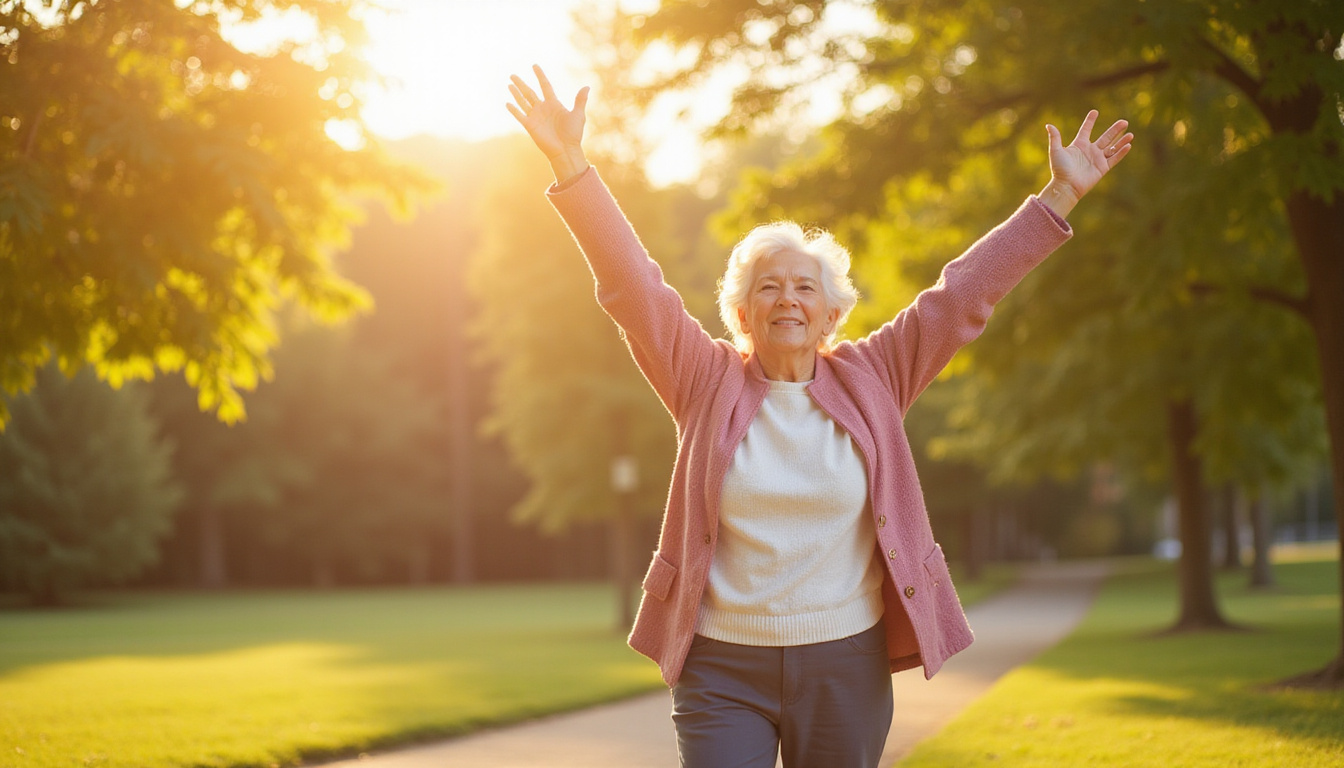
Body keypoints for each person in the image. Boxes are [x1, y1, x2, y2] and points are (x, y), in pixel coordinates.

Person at [506, 65, 1132, 768]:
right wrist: (572, 166)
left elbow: (960, 299)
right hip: (720, 667)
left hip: (845, 664)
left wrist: (1060, 195)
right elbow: (634, 289)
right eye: (768, 287)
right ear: (742, 314)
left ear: (832, 313)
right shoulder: (704, 380)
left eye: (805, 287)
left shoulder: (875, 375)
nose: (788, 300)